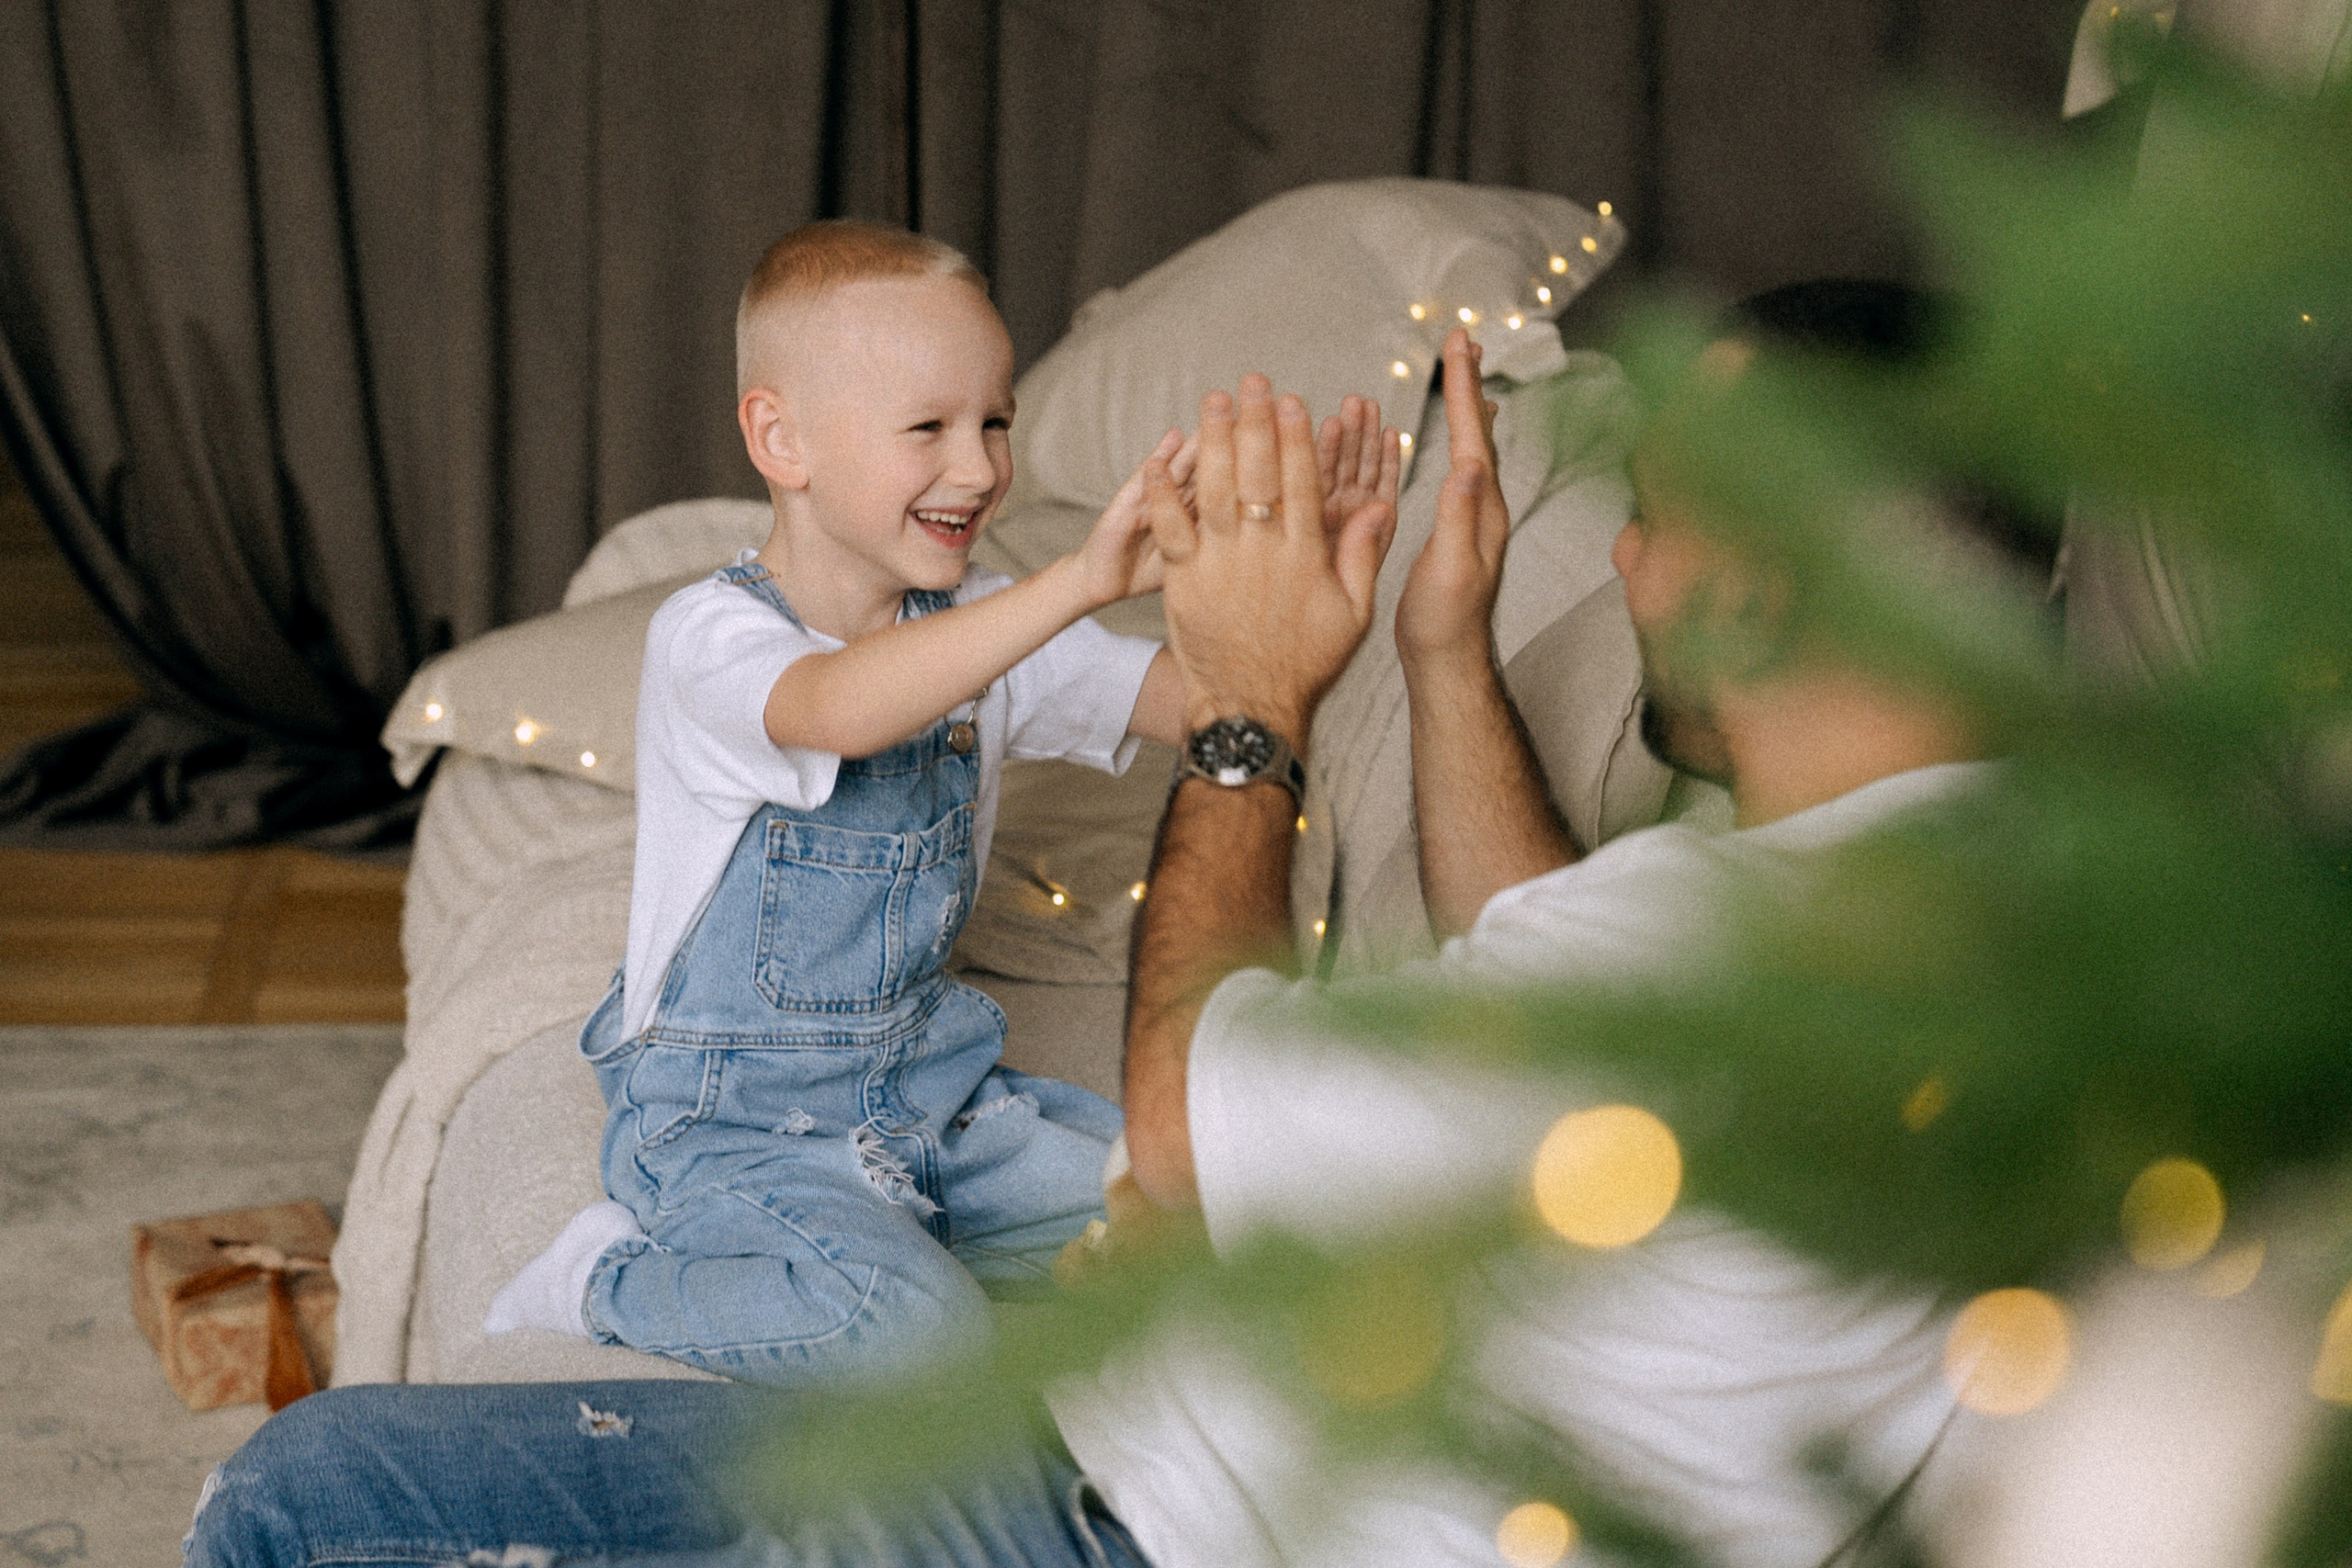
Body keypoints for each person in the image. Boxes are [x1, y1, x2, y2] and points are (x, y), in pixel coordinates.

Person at [185, 283, 2043, 1568]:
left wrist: (1249, 712)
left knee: (296, 1499)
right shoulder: (1967, 896)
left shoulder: (1757, 952)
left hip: (1101, 1530)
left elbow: (1180, 1104)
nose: (1627, 562)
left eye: (1650, 520)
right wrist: (1431, 646)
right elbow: (1572, 958)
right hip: (1110, 1445)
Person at [481, 219, 1395, 1386]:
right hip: (734, 1127)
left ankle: (948, 1259)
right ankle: (602, 1278)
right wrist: (1078, 584)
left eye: (995, 422)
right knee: (912, 1338)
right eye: (930, 428)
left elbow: (1212, 700)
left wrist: (1300, 603)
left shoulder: (984, 628)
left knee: (1214, 1233)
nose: (979, 468)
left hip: (930, 1098)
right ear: (781, 438)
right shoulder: (711, 638)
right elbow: (839, 709)